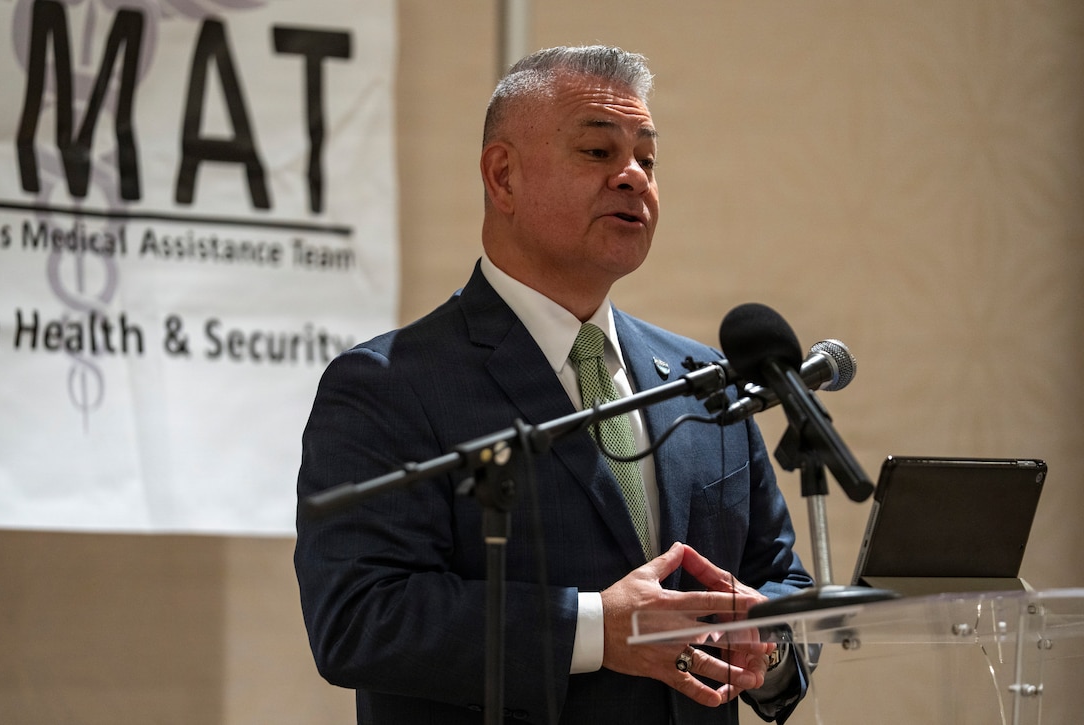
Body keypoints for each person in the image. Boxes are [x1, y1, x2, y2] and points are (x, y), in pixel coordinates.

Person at [294, 45, 814, 724]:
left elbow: (781, 579)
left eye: (648, 159)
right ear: (503, 176)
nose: (633, 176)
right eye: (599, 153)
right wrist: (594, 628)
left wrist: (766, 646)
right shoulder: (387, 386)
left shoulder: (702, 381)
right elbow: (359, 617)